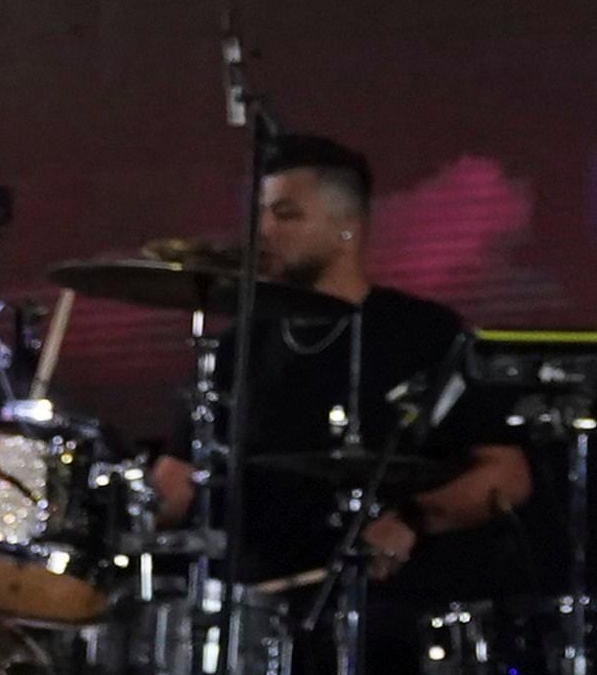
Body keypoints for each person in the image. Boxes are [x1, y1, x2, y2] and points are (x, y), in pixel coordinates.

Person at [144, 137, 534, 597]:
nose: (264, 231)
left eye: (286, 214)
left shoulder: (422, 333)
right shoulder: (239, 344)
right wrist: (100, 513)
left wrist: (411, 519)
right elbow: (177, 476)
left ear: (347, 227)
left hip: (382, 604)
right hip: (248, 606)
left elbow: (507, 474)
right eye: (262, 214)